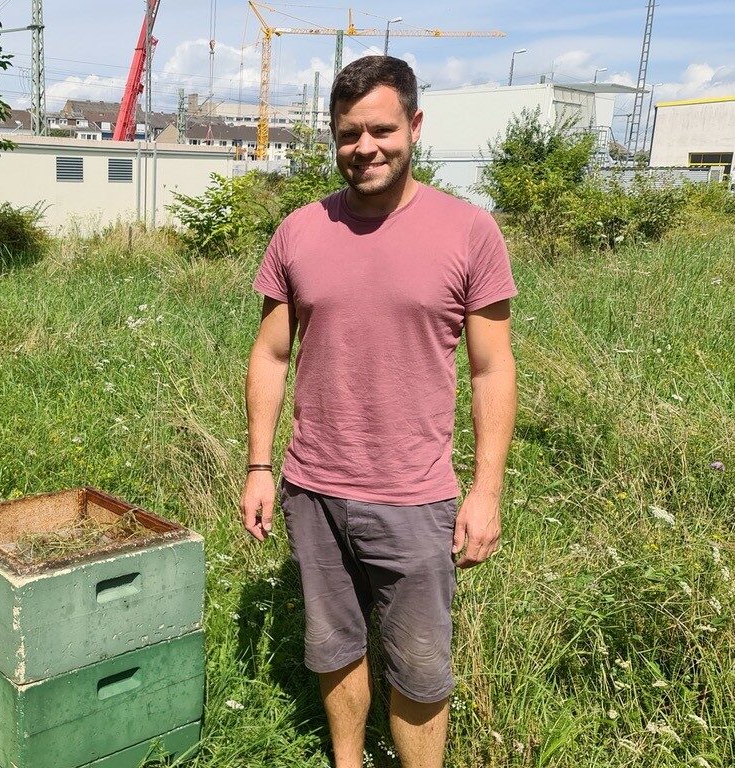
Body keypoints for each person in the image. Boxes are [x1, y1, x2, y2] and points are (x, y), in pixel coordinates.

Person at [240, 56, 518, 768]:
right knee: (333, 647)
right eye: (348, 133)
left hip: (415, 495)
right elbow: (271, 354)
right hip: (312, 488)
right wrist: (261, 465)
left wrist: (486, 492)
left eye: (381, 129)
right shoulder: (298, 231)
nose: (364, 147)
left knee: (422, 670)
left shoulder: (468, 232)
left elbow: (492, 368)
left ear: (415, 127)